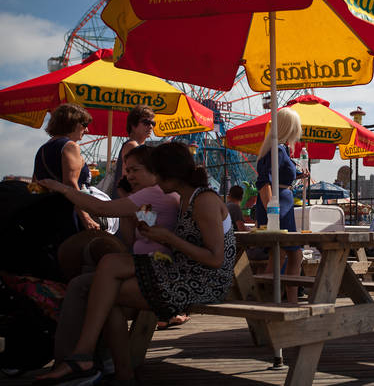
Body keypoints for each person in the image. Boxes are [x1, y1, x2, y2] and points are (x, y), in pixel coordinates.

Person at [35, 142, 236, 385]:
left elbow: (216, 260)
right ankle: (102, 364)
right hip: (183, 273)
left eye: (158, 173)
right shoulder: (184, 198)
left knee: (106, 278)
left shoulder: (203, 200)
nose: (157, 180)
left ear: (171, 173)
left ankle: (91, 360)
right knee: (108, 285)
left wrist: (169, 238)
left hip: (204, 282)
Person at [40, 145, 183, 366]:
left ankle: (75, 360)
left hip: (155, 270)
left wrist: (64, 188)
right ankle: (106, 364)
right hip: (147, 267)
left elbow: (101, 209)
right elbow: (138, 236)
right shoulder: (152, 197)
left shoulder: (154, 192)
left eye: (135, 170)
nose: (129, 175)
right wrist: (128, 204)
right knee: (92, 290)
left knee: (84, 286)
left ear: (153, 170)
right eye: (128, 171)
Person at [255, 107, 305, 303]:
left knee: (284, 254)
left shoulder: (278, 149)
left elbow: (270, 176)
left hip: (281, 203)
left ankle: (274, 299)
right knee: (288, 254)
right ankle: (277, 300)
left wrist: (298, 174)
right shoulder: (277, 149)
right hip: (279, 206)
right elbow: (263, 181)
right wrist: (271, 210)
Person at [33, 103, 99, 231]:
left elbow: (35, 185)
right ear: (72, 123)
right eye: (84, 125)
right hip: (68, 213)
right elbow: (70, 184)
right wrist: (86, 217)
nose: (87, 130)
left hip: (47, 213)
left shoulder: (43, 148)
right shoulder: (71, 146)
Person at [111, 105, 155, 199]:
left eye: (153, 123)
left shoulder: (137, 146)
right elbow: (130, 179)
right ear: (133, 125)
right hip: (128, 201)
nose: (151, 126)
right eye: (146, 122)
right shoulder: (132, 146)